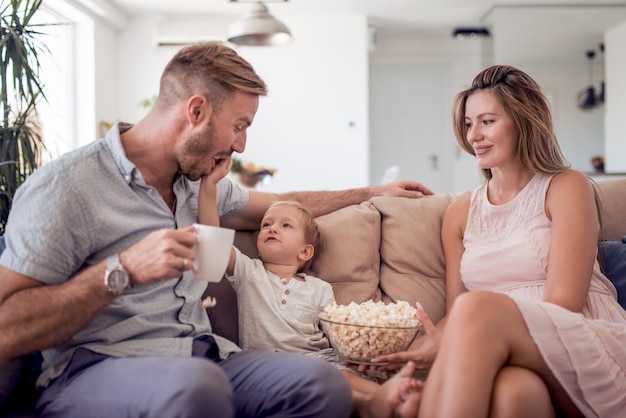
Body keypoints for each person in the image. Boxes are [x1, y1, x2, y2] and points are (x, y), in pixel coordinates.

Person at [0, 40, 433, 417]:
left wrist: (372, 191)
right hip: (97, 369)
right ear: (196, 111)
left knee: (321, 385)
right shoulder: (67, 187)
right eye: (239, 126)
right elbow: (7, 327)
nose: (241, 145)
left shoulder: (198, 183)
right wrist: (124, 270)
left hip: (208, 359)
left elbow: (289, 204)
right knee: (196, 388)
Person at [374, 65, 626, 417]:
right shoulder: (460, 213)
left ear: (523, 121)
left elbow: (565, 302)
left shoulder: (566, 186)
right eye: (467, 124)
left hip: (583, 339)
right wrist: (422, 349)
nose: (474, 135)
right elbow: (456, 309)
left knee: (479, 307)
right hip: (505, 350)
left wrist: (491, 323)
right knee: (514, 393)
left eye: (487, 121)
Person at [199, 164, 423, 418]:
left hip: (321, 359)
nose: (272, 228)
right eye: (266, 224)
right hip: (274, 366)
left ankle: (385, 396)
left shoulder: (319, 288)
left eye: (286, 226)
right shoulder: (248, 272)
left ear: (305, 252)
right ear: (259, 246)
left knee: (343, 376)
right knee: (330, 381)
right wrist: (208, 188)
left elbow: (336, 333)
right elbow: (212, 242)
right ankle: (382, 403)